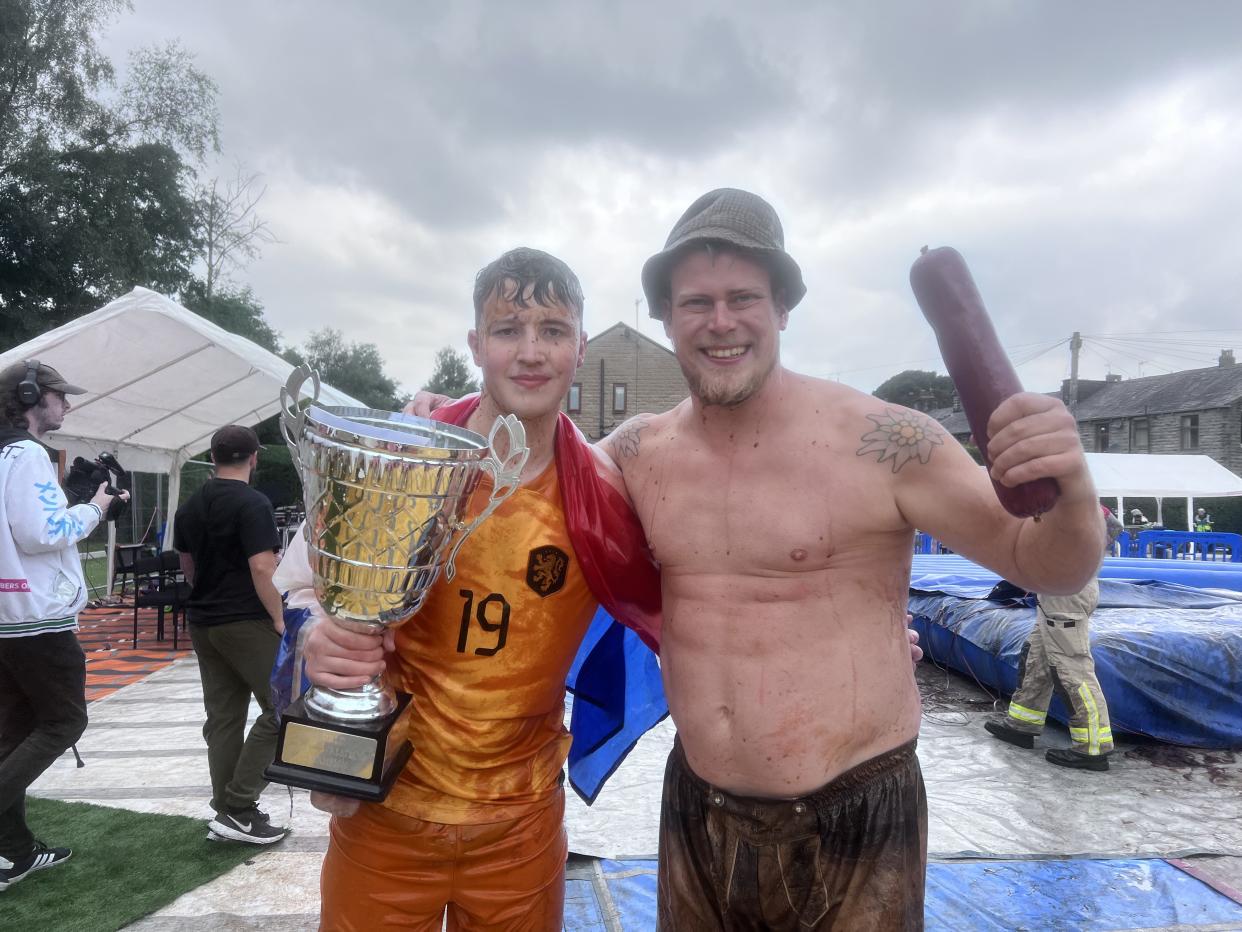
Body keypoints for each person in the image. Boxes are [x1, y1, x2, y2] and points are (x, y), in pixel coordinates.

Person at [591, 188, 1105, 930]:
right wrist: (454, 422)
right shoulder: (637, 454)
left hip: (856, 814)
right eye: (696, 302)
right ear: (666, 317)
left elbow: (1046, 565)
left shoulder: (887, 443)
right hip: (700, 806)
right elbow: (534, 504)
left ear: (783, 308)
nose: (721, 321)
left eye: (744, 297)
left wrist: (1071, 488)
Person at [289, 248, 662, 930]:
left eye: (551, 331)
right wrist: (316, 636)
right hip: (387, 815)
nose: (530, 352)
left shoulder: (612, 496)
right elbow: (300, 593)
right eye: (507, 329)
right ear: (475, 345)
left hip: (519, 828)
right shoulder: (403, 461)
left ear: (580, 347)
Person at [0, 360, 127, 891]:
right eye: (59, 396)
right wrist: (95, 506)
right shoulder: (27, 454)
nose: (67, 405)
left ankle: (12, 854)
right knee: (63, 723)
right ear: (31, 396)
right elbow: (42, 532)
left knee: (12, 736)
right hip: (36, 620)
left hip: (10, 618)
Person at [173, 425, 289, 845]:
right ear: (254, 457)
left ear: (214, 456)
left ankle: (228, 812)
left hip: (204, 622)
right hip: (245, 621)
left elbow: (188, 567)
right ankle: (240, 805)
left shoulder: (189, 507)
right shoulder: (253, 503)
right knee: (285, 708)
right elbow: (262, 568)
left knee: (223, 719)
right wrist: (279, 619)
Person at [985, 508, 1124, 771]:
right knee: (1036, 657)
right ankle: (1021, 725)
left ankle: (1093, 748)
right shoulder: (1051, 500)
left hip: (1066, 595)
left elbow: (1108, 525)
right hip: (1056, 591)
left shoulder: (1058, 500)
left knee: (1071, 669)